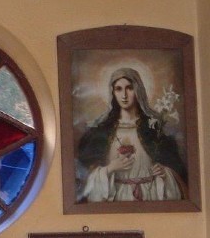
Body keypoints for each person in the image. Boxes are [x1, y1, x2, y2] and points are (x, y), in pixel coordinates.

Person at [77, 67, 187, 203]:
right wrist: (110, 168)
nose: (124, 95)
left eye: (129, 88)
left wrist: (164, 171)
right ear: (113, 93)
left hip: (149, 195)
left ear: (138, 90)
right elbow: (85, 176)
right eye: (118, 89)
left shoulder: (153, 127)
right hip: (116, 197)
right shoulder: (102, 130)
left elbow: (175, 168)